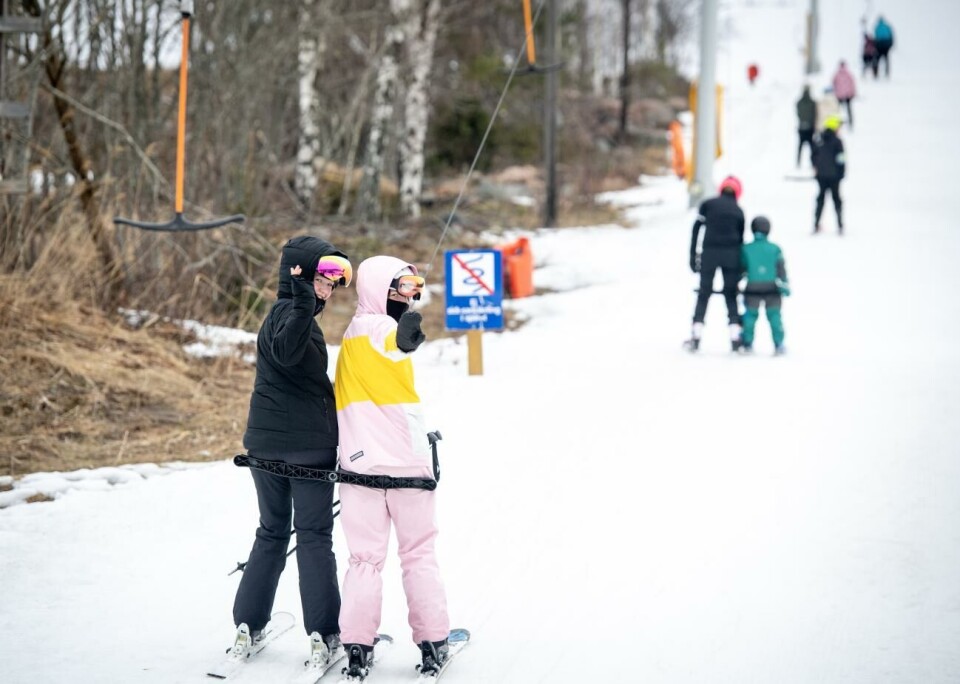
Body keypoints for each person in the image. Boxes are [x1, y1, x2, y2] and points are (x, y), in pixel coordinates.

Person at [230, 236, 353, 669]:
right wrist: (304, 300)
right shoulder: (293, 312)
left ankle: (248, 623)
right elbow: (287, 350)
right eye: (326, 278)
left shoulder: (276, 314)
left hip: (265, 444)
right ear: (300, 274)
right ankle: (324, 633)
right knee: (314, 536)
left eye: (336, 280)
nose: (331, 288)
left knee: (272, 531)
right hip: (305, 449)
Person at [334, 256, 450, 680]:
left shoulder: (349, 336)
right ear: (380, 288)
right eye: (404, 287)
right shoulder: (380, 329)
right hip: (406, 466)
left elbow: (384, 346)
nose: (412, 295)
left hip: (358, 468)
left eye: (416, 286)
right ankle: (434, 642)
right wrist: (404, 339)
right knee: (418, 554)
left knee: (364, 559)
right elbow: (392, 342)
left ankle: (358, 647)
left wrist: (401, 338)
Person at [685, 175, 746, 352]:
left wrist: (693, 255)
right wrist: (741, 266)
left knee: (704, 293)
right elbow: (741, 240)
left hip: (709, 254)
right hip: (731, 256)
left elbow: (696, 229)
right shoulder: (738, 211)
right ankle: (735, 337)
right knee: (731, 294)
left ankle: (696, 334)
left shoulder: (708, 205)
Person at [739, 216, 790, 356]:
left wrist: (735, 284)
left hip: (752, 289)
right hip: (772, 289)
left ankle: (747, 342)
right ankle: (779, 343)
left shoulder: (746, 249)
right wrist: (784, 284)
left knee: (749, 317)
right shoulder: (775, 249)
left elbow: (742, 269)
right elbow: (781, 269)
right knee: (774, 317)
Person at [812, 115, 846, 234]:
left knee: (820, 199)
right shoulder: (837, 142)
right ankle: (840, 225)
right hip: (834, 177)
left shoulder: (819, 139)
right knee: (836, 199)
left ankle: (816, 224)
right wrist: (841, 174)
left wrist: (816, 168)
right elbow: (841, 159)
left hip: (821, 176)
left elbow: (813, 155)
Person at [795, 85, 818, 167]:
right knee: (811, 147)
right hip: (810, 128)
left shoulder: (799, 102)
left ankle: (798, 163)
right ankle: (813, 163)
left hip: (801, 127)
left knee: (800, 147)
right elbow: (815, 114)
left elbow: (798, 113)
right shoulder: (813, 103)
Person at [831, 61, 856, 129]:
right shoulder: (849, 74)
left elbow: (833, 84)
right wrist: (853, 93)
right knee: (848, 110)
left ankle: (838, 125)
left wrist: (835, 93)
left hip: (839, 95)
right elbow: (852, 84)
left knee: (838, 111)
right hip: (848, 95)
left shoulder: (836, 74)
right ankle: (850, 123)